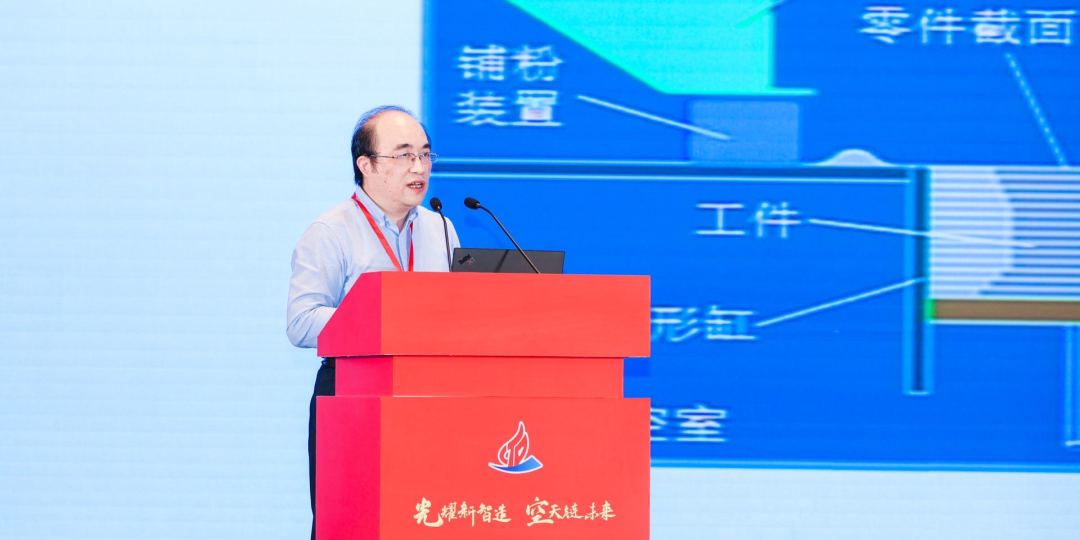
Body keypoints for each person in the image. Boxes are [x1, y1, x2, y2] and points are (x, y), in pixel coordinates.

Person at [286, 105, 459, 537]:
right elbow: (301, 321)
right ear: (366, 165)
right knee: (350, 522)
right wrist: (378, 318)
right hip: (352, 394)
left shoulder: (440, 229)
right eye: (404, 155)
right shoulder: (330, 232)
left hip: (429, 397)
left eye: (425, 154)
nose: (419, 167)